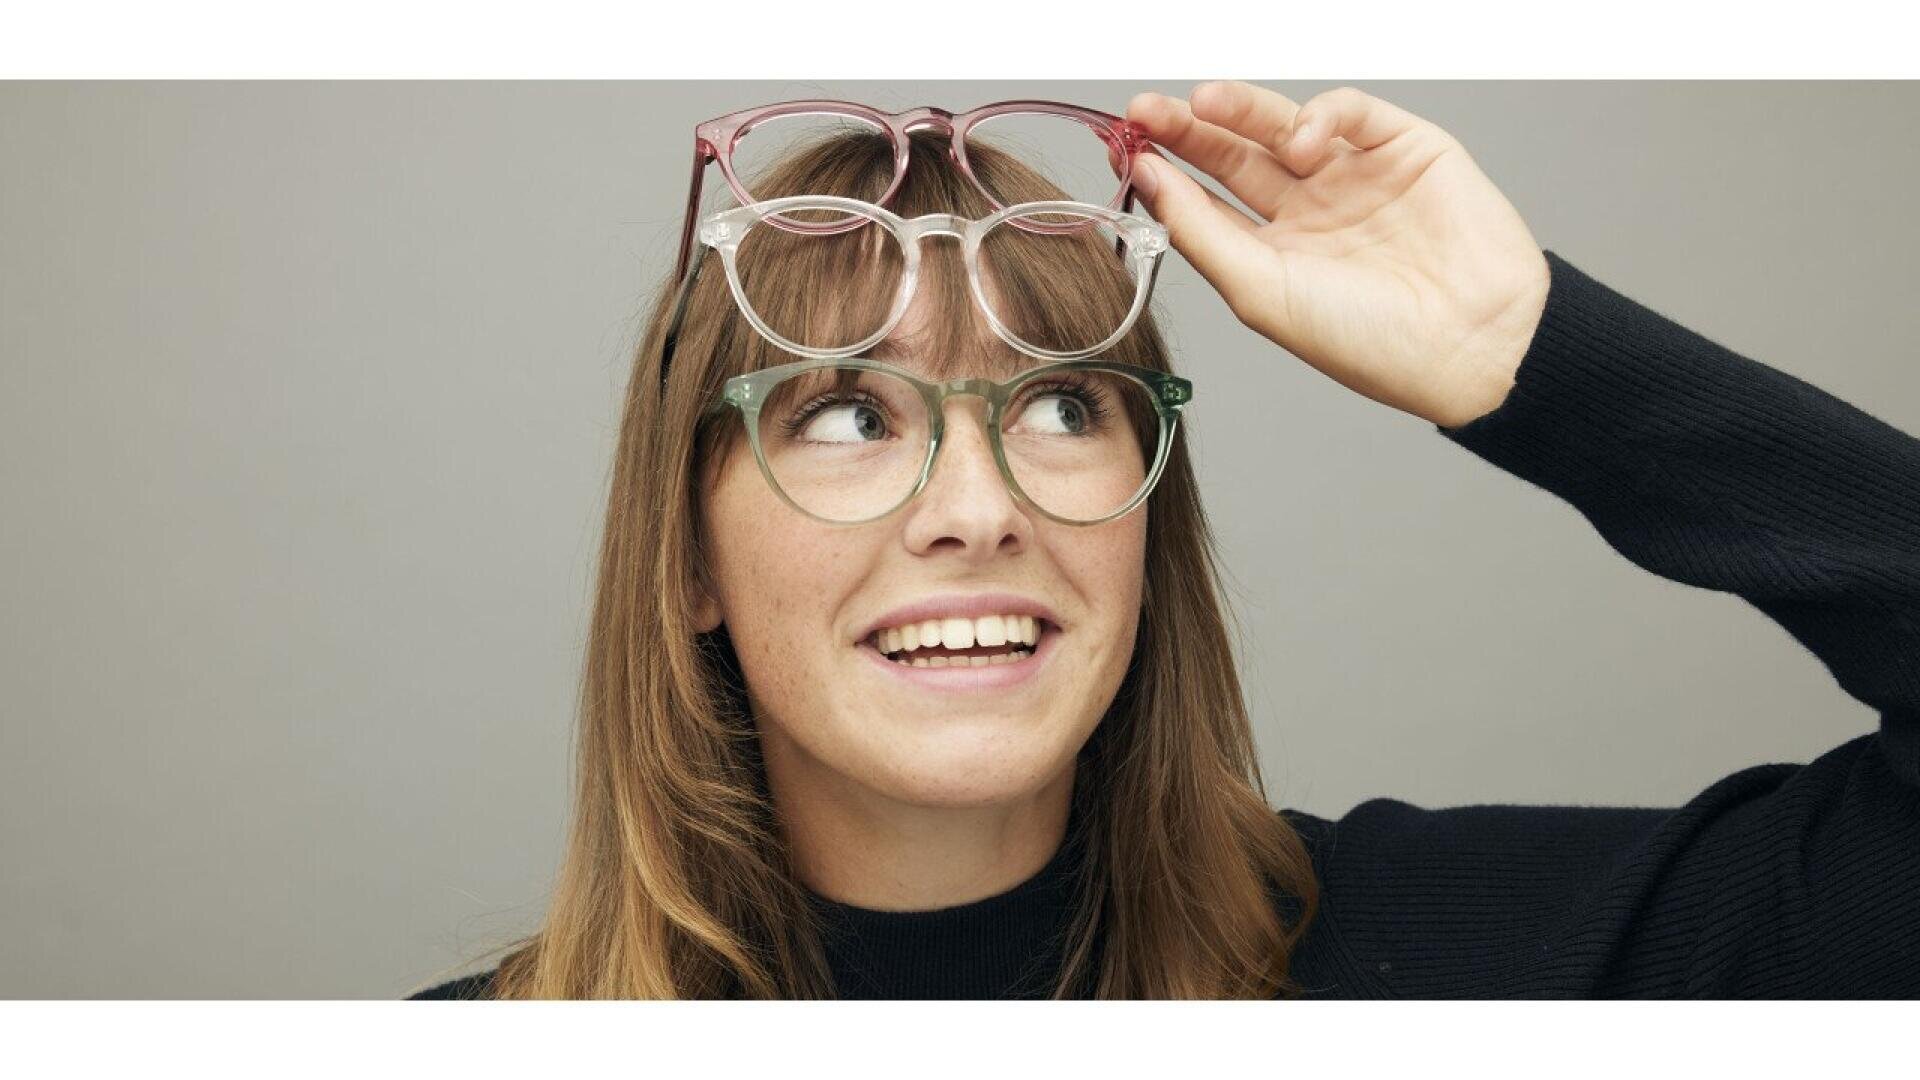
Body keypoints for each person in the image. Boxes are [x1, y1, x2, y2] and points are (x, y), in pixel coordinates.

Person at [411, 82, 1919, 999]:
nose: (979, 504)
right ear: (686, 562)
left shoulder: (1469, 973)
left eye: (1063, 406)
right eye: (850, 420)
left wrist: (1532, 351)